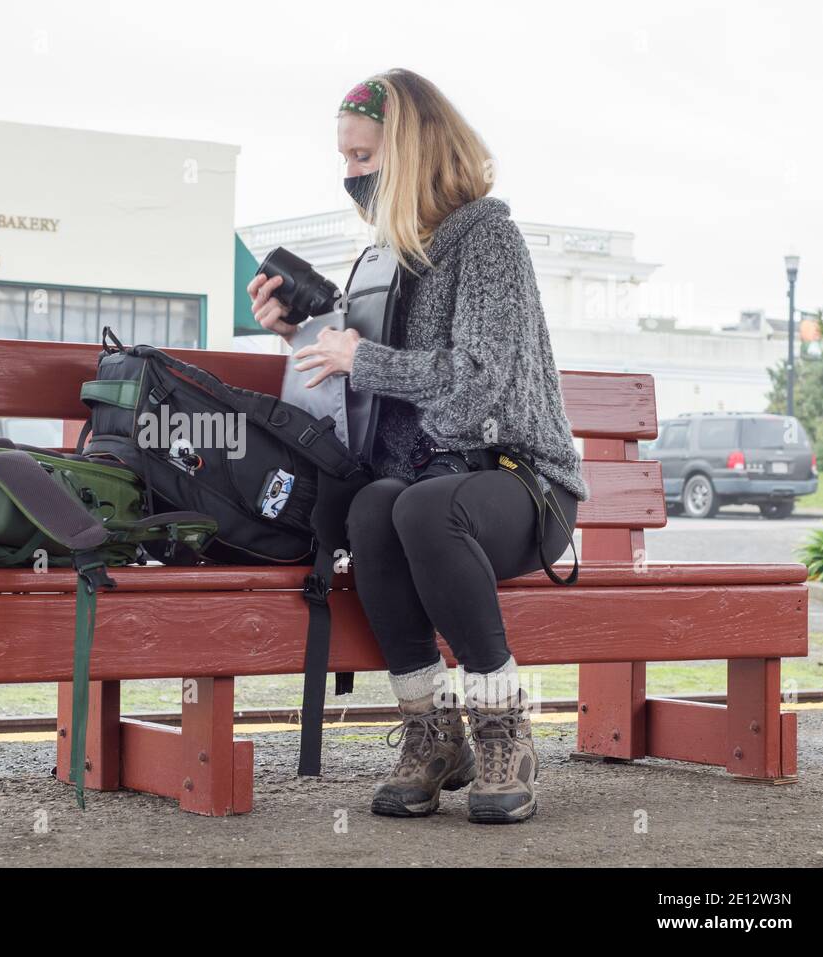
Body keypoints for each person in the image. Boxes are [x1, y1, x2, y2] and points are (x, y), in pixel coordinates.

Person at [246, 69, 589, 824]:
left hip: (523, 484)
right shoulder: (387, 259)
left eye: (364, 158)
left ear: (409, 153)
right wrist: (305, 337)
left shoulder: (488, 240)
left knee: (425, 508)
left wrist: (357, 356)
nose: (351, 176)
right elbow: (373, 414)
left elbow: (481, 386)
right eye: (345, 159)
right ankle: (435, 733)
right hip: (430, 492)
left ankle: (504, 728)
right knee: (374, 508)